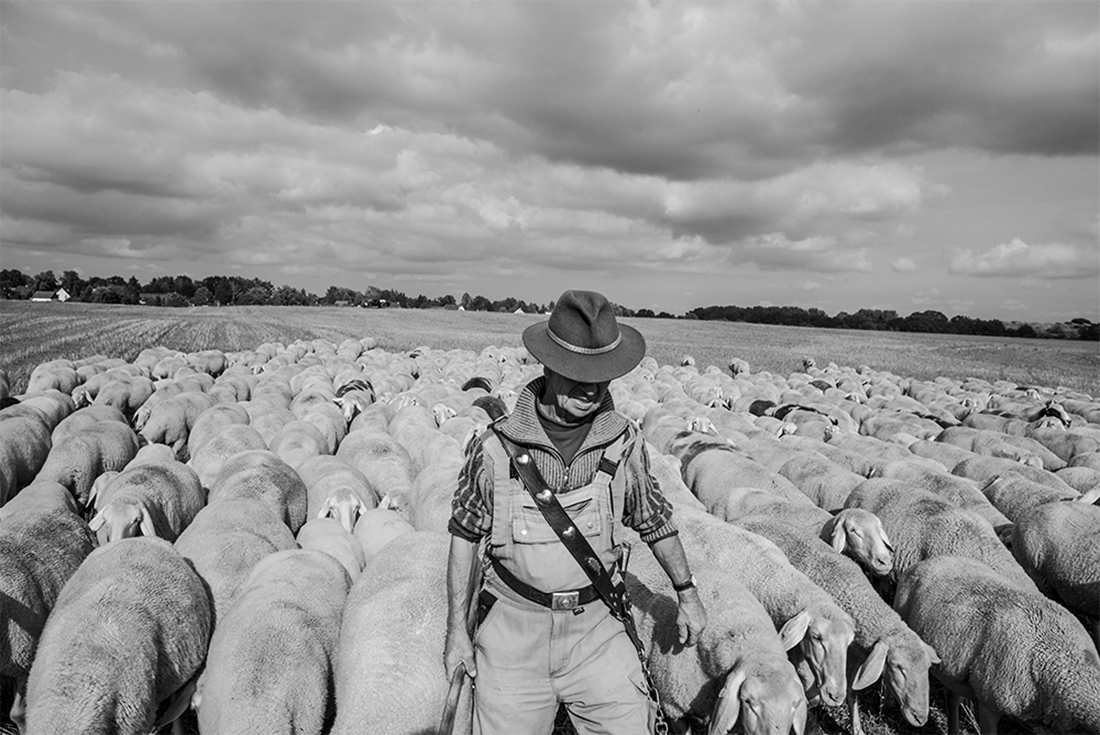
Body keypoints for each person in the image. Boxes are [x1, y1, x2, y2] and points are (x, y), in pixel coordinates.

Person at [444, 289, 708, 735]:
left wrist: (688, 593)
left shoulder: (624, 443)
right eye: (577, 373)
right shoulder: (494, 448)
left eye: (602, 375)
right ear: (547, 366)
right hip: (513, 631)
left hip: (597, 629)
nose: (591, 387)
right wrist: (456, 633)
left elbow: (655, 519)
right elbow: (464, 536)